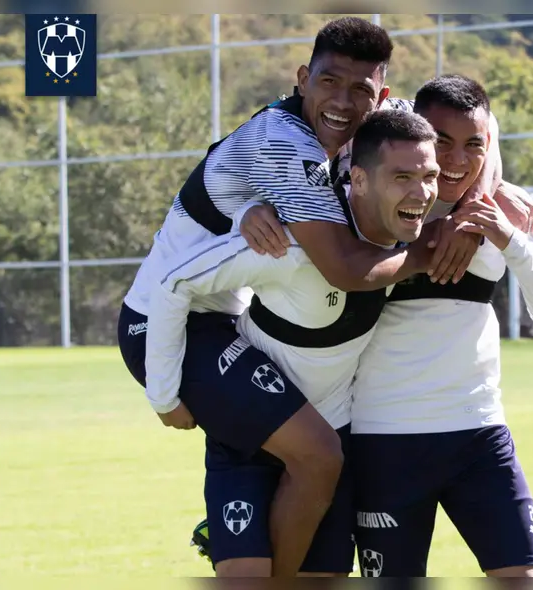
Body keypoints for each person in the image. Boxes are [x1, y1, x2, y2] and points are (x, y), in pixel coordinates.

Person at [116, 17, 447, 578]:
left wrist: (484, 196)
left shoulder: (347, 131)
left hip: (225, 319)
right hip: (165, 322)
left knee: (311, 461)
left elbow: (462, 144)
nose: (342, 102)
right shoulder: (290, 145)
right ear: (302, 79)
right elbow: (342, 269)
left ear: (382, 94)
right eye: (328, 82)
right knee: (318, 456)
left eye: (360, 89)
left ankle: (235, 530)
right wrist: (163, 395)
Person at [238, 75, 533, 578]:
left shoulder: (506, 206)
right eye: (443, 143)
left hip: (479, 435)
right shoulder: (358, 200)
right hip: (384, 442)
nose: (459, 160)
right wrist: (253, 209)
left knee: (525, 579)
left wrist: (509, 241)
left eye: (474, 146)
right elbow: (282, 190)